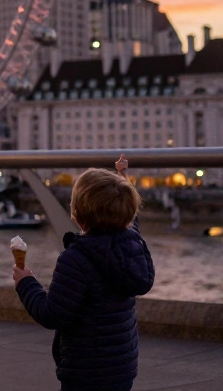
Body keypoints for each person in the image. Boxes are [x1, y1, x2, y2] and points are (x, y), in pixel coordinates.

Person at [13, 154, 154, 391]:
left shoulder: (75, 259)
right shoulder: (132, 247)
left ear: (76, 215)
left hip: (85, 370)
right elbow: (132, 220)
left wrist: (26, 283)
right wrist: (122, 178)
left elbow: (52, 315)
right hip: (122, 366)